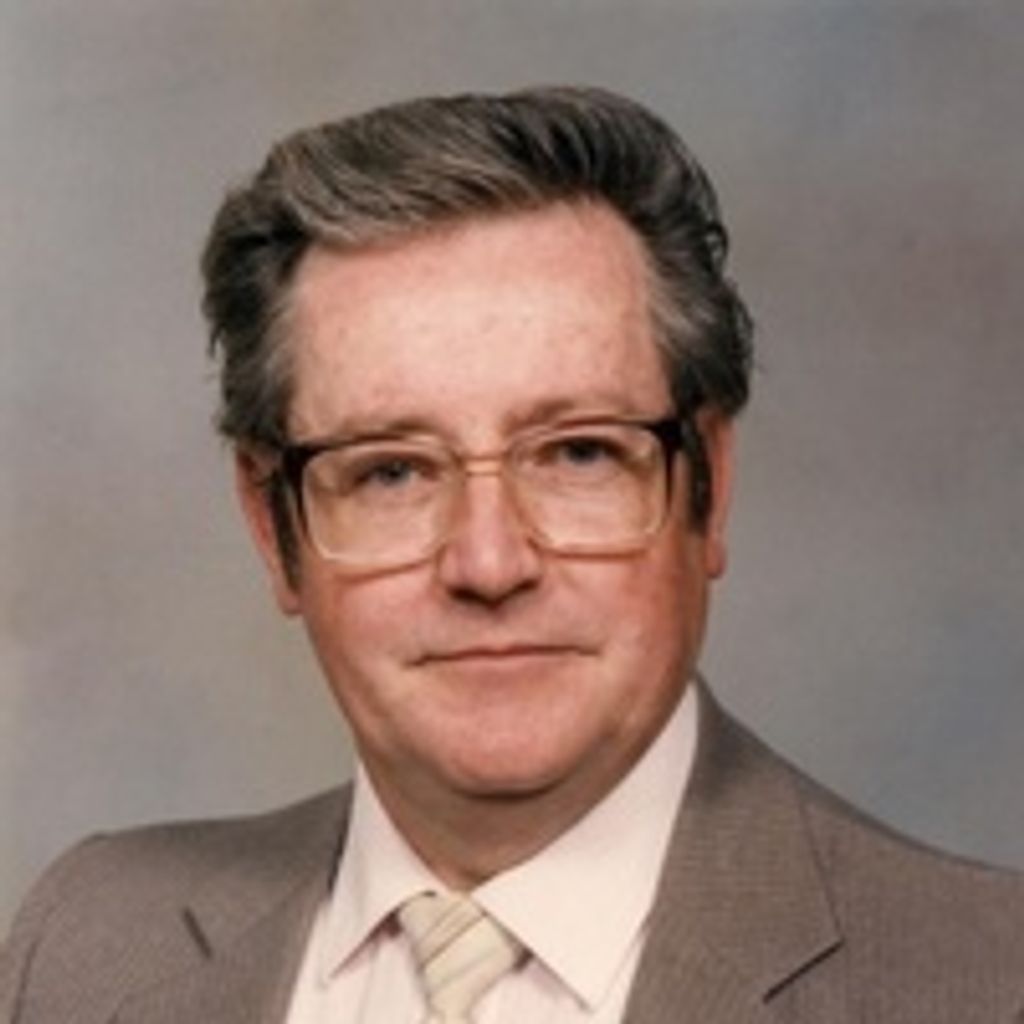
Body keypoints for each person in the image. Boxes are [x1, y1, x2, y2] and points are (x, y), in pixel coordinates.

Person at [2, 85, 1023, 1024]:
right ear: (274, 529)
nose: (489, 564)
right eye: (392, 471)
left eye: (578, 452)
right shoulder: (86, 946)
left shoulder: (983, 977)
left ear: (706, 487)